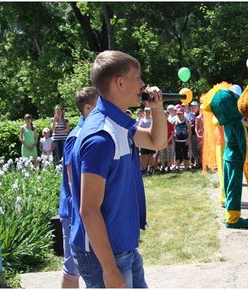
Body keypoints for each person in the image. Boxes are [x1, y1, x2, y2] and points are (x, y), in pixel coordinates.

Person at [69, 50, 167, 288]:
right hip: (105, 255)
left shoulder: (119, 123)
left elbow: (157, 142)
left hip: (124, 246)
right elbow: (89, 209)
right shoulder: (101, 137)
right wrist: (110, 270)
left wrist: (157, 108)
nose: (143, 84)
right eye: (138, 77)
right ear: (120, 82)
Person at [58, 86, 98, 288]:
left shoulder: (89, 131)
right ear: (89, 108)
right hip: (74, 212)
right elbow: (73, 180)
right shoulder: (77, 136)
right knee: (72, 268)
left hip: (81, 210)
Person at [137, 107, 156, 174]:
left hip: (150, 139)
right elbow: (139, 127)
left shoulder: (152, 120)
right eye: (145, 111)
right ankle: (143, 168)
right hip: (143, 140)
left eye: (148, 111)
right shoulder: (142, 120)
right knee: (143, 155)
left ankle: (150, 168)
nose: (146, 112)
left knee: (151, 154)